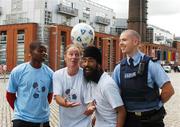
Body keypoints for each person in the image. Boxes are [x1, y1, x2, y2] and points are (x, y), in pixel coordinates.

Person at [112, 29, 175, 127]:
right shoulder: (119, 68)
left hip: (150, 120)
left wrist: (156, 105)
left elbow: (169, 90)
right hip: (129, 120)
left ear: (135, 41)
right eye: (120, 41)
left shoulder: (151, 64)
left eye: (124, 40)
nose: (120, 43)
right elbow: (113, 93)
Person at [6, 41, 54, 127]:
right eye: (40, 51)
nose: (44, 53)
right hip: (21, 121)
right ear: (30, 53)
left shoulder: (50, 73)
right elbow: (10, 95)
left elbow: (49, 97)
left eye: (45, 51)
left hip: (43, 121)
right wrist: (20, 111)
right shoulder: (18, 71)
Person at [81, 46, 126, 127]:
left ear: (98, 64)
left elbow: (121, 112)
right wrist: (96, 117)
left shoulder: (107, 85)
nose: (86, 64)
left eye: (90, 60)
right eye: (84, 60)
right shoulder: (92, 81)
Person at [53, 44, 95, 127]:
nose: (74, 57)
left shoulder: (86, 75)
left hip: (83, 121)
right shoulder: (57, 74)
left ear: (80, 58)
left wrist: (91, 107)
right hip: (65, 123)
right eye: (71, 54)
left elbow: (90, 99)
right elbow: (57, 97)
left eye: (77, 54)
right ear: (65, 57)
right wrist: (64, 103)